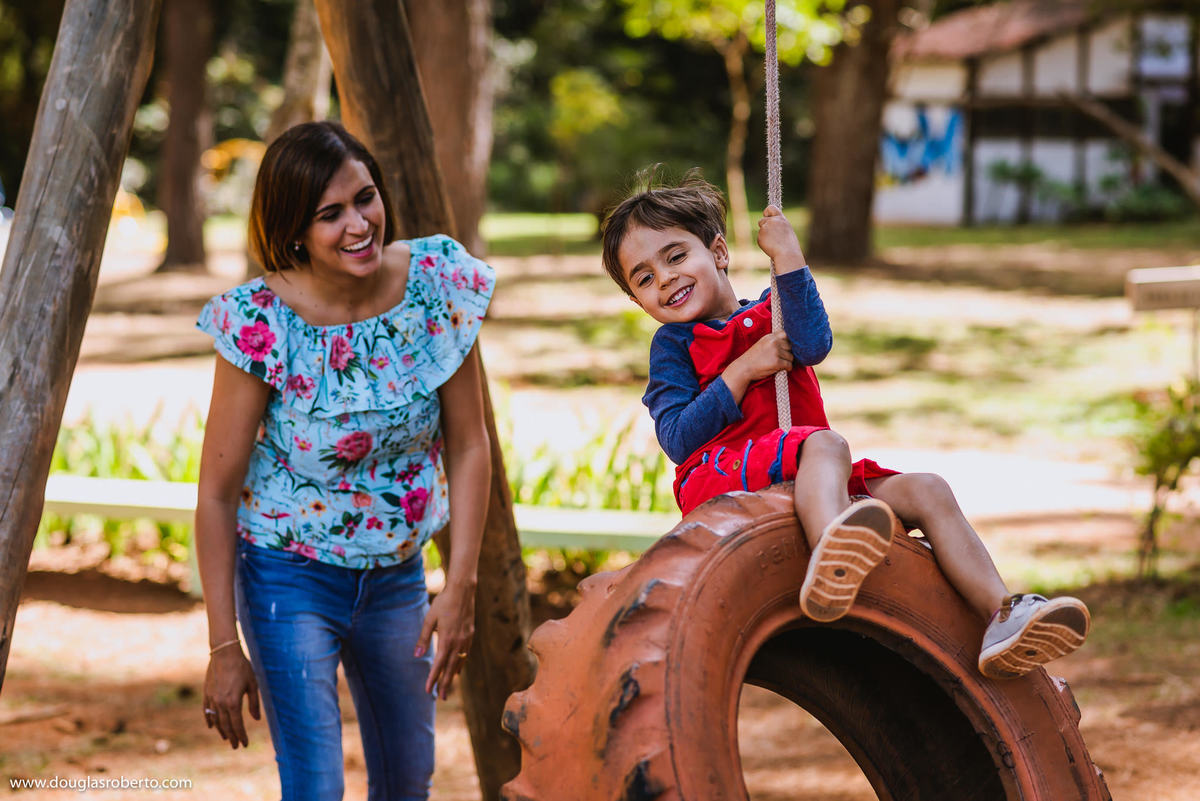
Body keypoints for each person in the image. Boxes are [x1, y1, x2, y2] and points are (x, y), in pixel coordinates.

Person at [600, 171, 1090, 679]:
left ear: (718, 252)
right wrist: (743, 370)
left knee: (927, 489)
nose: (665, 279)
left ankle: (1000, 616)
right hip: (728, 477)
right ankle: (833, 553)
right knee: (825, 444)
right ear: (638, 302)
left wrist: (788, 256)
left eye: (676, 256)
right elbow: (679, 439)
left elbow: (814, 343)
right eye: (644, 277)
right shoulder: (674, 347)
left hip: (813, 472)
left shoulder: (773, 311)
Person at [194, 121, 494, 800]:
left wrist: (461, 584)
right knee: (316, 787)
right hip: (287, 577)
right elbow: (216, 492)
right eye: (331, 214)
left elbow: (471, 443)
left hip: (397, 578)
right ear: (294, 228)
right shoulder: (260, 323)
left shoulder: (437, 284)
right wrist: (221, 646)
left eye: (365, 198)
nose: (359, 224)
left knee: (406, 781)